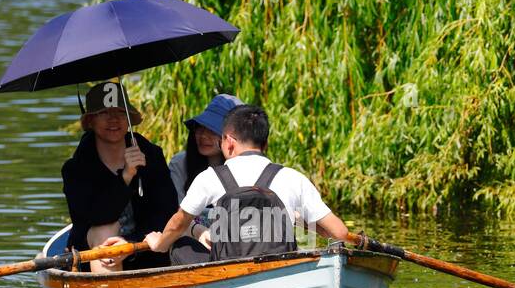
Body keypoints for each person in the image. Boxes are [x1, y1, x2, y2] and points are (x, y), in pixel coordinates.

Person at [144, 104, 352, 260]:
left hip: (227, 271)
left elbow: (178, 223)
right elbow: (340, 233)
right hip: (280, 270)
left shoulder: (210, 177)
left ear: (229, 142)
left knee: (179, 246)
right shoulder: (293, 177)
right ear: (265, 143)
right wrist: (302, 222)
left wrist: (159, 244)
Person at [61, 81, 178, 272]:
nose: (114, 119)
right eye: (104, 113)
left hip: (145, 247)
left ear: (129, 119)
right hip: (95, 250)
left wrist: (130, 245)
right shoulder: (75, 170)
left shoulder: (151, 156)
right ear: (90, 121)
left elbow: (166, 211)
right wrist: (125, 177)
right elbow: (94, 217)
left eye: (121, 113)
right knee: (106, 233)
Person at [165, 93, 239, 263]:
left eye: (212, 130)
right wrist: (198, 232)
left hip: (235, 248)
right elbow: (176, 215)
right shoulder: (180, 163)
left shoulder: (242, 167)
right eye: (200, 128)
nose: (203, 135)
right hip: (192, 247)